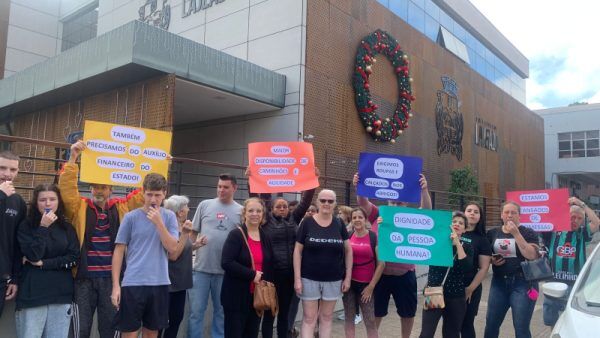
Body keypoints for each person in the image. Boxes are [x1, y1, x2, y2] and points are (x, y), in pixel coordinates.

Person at [58, 140, 144, 338]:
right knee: (80, 329)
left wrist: (158, 164)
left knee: (110, 328)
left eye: (103, 187)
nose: (98, 190)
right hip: (83, 279)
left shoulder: (120, 207)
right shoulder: (80, 207)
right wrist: (73, 158)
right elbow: (67, 191)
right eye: (95, 187)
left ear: (111, 189)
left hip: (112, 280)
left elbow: (142, 194)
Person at [353, 172, 431, 338]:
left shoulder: (411, 217)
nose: (395, 205)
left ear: (406, 204)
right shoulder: (378, 213)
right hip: (380, 275)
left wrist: (424, 190)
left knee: (407, 313)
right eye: (392, 202)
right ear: (387, 201)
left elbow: (427, 211)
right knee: (376, 312)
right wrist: (359, 185)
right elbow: (362, 202)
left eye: (400, 203)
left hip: (405, 274)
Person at [246, 168, 316, 338]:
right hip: (271, 275)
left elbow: (306, 201)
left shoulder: (294, 218)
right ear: (272, 209)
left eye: (285, 206)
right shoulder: (266, 221)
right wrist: (251, 178)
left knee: (284, 313)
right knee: (270, 313)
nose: (283, 209)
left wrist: (313, 179)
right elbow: (256, 200)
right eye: (279, 206)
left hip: (289, 275)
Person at [110, 173, 180, 338]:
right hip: (133, 282)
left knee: (151, 333)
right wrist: (115, 285)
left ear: (164, 193)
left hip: (159, 282)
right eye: (149, 194)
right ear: (143, 193)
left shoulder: (169, 217)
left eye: (157, 195)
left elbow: (172, 248)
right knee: (129, 333)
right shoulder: (130, 217)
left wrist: (159, 223)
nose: (153, 199)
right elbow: (119, 251)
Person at [15, 183, 79, 338]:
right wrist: (43, 227)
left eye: (52, 199)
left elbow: (74, 257)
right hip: (33, 295)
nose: (48, 203)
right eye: (43, 200)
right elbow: (33, 256)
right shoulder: (26, 226)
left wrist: (45, 263)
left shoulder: (67, 228)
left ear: (59, 202)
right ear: (36, 202)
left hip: (61, 295)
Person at [188, 174, 242, 338]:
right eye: (219, 186)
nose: (221, 190)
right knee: (196, 312)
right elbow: (193, 232)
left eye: (225, 187)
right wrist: (190, 249)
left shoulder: (240, 211)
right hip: (201, 269)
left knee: (221, 313)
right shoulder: (205, 205)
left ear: (234, 188)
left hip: (225, 272)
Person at [293, 189, 352, 338]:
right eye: (323, 200)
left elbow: (348, 251)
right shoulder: (307, 223)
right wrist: (297, 279)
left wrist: (348, 278)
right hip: (308, 278)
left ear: (335, 204)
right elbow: (297, 252)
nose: (326, 203)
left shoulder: (339, 224)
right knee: (309, 318)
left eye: (330, 201)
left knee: (326, 317)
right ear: (317, 202)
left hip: (333, 279)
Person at [484, 201, 540, 338]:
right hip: (498, 283)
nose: (510, 215)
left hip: (523, 283)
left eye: (513, 212)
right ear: (501, 215)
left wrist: (516, 234)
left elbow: (531, 255)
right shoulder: (492, 233)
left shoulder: (528, 232)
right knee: (491, 324)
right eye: (506, 212)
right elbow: (485, 256)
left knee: (521, 327)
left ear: (519, 216)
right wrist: (492, 260)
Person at [541, 196, 600, 326]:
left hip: (575, 285)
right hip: (553, 283)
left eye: (579, 218)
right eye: (573, 216)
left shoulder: (582, 233)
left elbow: (596, 223)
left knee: (573, 320)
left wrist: (581, 204)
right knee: (551, 320)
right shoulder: (553, 231)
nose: (575, 220)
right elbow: (540, 221)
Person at [221, 197, 275, 338]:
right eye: (251, 210)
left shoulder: (266, 236)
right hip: (236, 297)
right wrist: (252, 275)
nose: (255, 214)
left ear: (263, 214)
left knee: (251, 334)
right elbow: (226, 262)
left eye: (258, 211)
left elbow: (269, 263)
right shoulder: (236, 235)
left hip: (257, 297)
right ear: (244, 213)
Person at [419, 212, 473, 338]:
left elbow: (466, 267)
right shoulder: (435, 241)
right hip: (434, 293)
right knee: (426, 333)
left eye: (461, 223)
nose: (457, 224)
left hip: (456, 297)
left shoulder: (467, 246)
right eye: (454, 222)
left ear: (464, 229)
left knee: (452, 334)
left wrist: (457, 243)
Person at [343, 208, 384, 338]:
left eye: (360, 217)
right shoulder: (348, 235)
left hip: (366, 286)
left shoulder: (373, 237)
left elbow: (381, 264)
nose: (357, 220)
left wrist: (371, 287)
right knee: (349, 319)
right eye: (354, 217)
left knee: (370, 321)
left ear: (365, 219)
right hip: (349, 285)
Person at [162, 195, 198, 338]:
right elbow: (174, 254)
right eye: (186, 207)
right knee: (164, 321)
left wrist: (195, 246)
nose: (188, 209)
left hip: (181, 283)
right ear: (180, 212)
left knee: (176, 319)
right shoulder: (171, 229)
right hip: (170, 283)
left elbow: (182, 249)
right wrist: (185, 234)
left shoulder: (182, 228)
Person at [0, 151, 27, 317]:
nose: (7, 174)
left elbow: (19, 244)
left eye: (13, 169)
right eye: (2, 168)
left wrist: (15, 278)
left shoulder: (18, 202)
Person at [461, 202, 492, 338]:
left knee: (467, 324)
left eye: (476, 211)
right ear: (463, 213)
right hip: (449, 286)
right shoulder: (452, 232)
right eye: (469, 210)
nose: (472, 213)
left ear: (480, 217)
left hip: (470, 286)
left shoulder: (482, 240)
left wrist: (470, 289)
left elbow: (484, 268)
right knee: (451, 324)